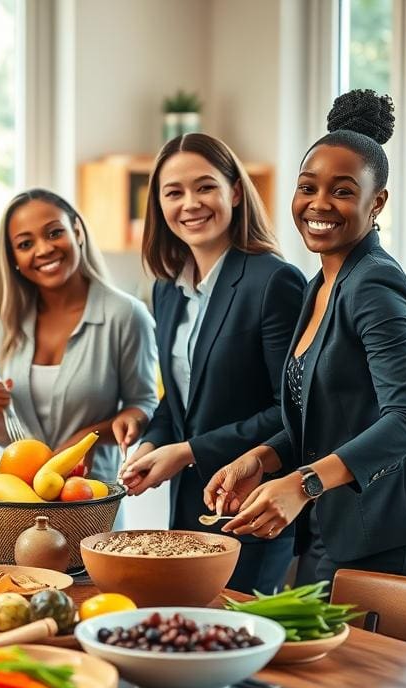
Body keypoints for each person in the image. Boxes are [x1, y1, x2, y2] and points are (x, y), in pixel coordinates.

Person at [206, 89, 406, 585]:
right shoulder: (320, 285)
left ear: (376, 202)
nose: (319, 203)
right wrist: (260, 458)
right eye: (307, 187)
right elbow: (330, 419)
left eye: (343, 191)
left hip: (385, 531)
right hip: (333, 521)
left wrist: (302, 484)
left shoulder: (375, 286)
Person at [117, 133, 306, 594]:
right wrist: (152, 442)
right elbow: (180, 398)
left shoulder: (273, 281)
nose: (190, 204)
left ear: (235, 192)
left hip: (253, 507)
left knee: (237, 628)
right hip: (189, 508)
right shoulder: (166, 288)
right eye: (173, 192)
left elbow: (293, 412)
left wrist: (188, 451)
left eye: (205, 187)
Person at [0, 188, 159, 488]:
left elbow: (144, 405)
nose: (43, 249)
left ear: (77, 231)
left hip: (87, 492)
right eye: (25, 244)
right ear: (14, 258)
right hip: (17, 494)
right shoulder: (6, 318)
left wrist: (88, 438)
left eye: (54, 233)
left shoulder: (125, 315)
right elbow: (6, 437)